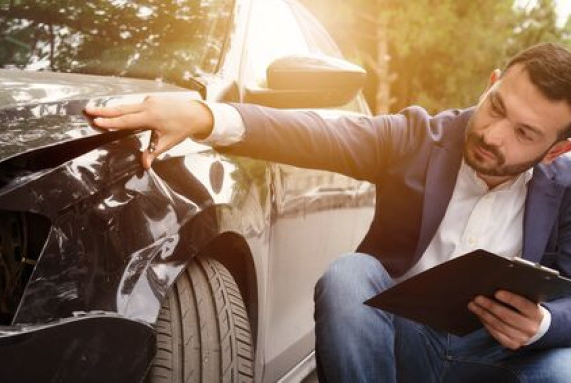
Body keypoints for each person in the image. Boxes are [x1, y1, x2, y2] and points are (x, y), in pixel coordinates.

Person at [84, 43, 571, 382]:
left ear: (556, 149)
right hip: (396, 343)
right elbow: (322, 133)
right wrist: (206, 116)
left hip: (495, 359)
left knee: (561, 369)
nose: (493, 134)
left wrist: (544, 324)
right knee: (350, 275)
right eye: (495, 107)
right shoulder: (421, 139)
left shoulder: (565, 192)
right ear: (490, 84)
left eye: (525, 134)